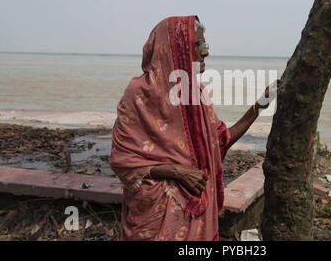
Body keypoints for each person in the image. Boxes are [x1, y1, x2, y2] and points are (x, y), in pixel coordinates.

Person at [109, 15, 276, 241]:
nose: (205, 52)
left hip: (194, 207)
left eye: (205, 45)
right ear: (175, 47)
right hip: (154, 208)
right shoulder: (138, 92)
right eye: (199, 45)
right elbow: (122, 158)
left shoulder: (196, 94)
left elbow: (219, 141)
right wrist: (176, 171)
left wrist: (259, 105)